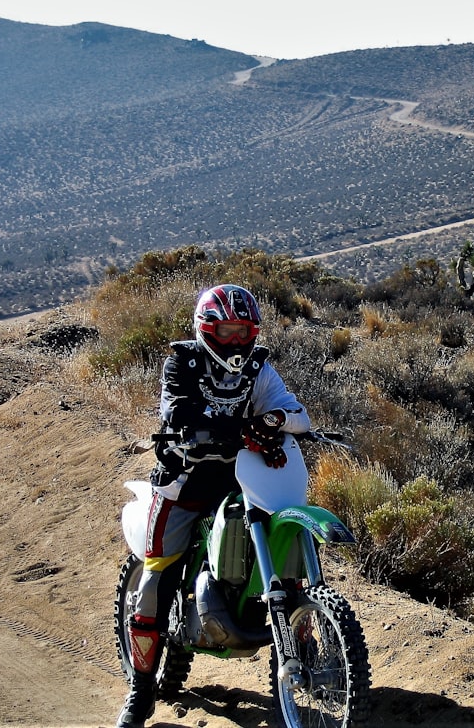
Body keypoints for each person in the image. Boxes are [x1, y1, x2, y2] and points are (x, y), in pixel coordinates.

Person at [117, 283, 310, 728]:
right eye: (226, 330)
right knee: (156, 576)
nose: (236, 341)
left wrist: (274, 419)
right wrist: (242, 428)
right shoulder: (181, 361)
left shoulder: (259, 367)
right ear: (206, 328)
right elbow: (178, 412)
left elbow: (294, 411)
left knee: (276, 536)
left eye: (244, 331)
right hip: (185, 482)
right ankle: (140, 692)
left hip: (241, 479)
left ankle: (293, 640)